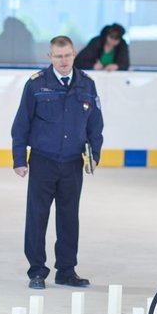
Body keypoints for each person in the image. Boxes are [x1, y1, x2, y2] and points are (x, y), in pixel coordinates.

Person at [11, 35, 104, 290]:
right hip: (43, 161)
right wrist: (19, 159)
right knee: (37, 217)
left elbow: (96, 124)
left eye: (67, 55)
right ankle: (37, 271)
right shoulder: (36, 85)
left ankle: (66, 270)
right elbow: (21, 125)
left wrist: (94, 154)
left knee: (68, 218)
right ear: (50, 57)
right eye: (58, 56)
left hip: (73, 163)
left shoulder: (87, 84)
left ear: (74, 55)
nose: (63, 61)